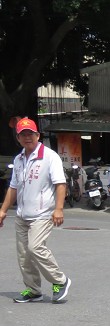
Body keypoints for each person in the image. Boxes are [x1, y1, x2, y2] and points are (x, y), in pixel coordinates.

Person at [0, 118, 72, 304]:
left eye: (30, 133)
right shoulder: (18, 159)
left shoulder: (50, 157)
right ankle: (33, 290)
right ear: (18, 138)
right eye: (23, 134)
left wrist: (58, 209)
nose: (27, 137)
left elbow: (60, 184)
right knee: (24, 255)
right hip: (22, 215)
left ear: (37, 135)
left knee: (35, 247)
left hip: (42, 214)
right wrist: (3, 210)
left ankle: (60, 280)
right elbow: (13, 187)